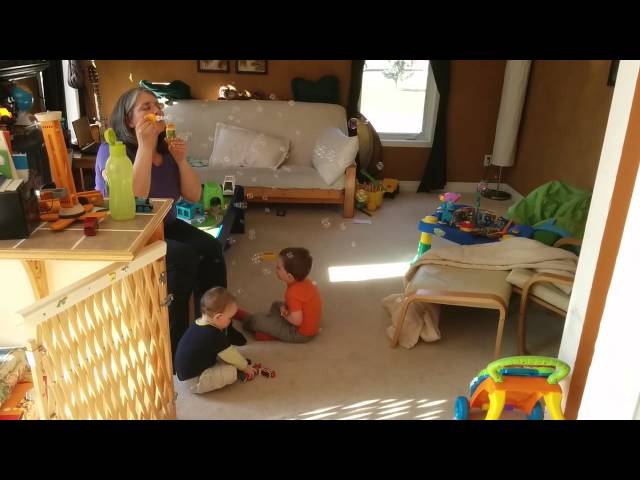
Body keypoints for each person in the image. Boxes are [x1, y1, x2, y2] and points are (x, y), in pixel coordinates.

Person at [94, 87, 246, 360]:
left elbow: (193, 195)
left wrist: (180, 160)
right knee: (183, 258)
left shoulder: (166, 149)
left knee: (211, 248)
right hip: (135, 232)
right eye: (145, 107)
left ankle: (216, 328)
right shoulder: (112, 151)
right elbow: (136, 198)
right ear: (129, 120)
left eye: (156, 106)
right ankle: (176, 344)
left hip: (168, 223)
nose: (155, 111)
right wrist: (144, 146)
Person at [174, 288, 257, 394]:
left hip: (185, 373)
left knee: (223, 356)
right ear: (218, 317)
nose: (230, 321)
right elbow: (231, 354)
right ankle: (211, 378)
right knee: (231, 373)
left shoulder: (198, 323)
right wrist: (246, 367)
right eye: (230, 318)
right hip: (194, 380)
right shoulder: (214, 335)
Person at [243, 247, 322, 342]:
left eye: (278, 268)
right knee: (276, 305)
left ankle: (269, 332)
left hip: (299, 334)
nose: (276, 269)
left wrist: (284, 313)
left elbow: (297, 321)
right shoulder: (305, 281)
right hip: (309, 324)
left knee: (255, 321)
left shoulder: (292, 293)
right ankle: (274, 326)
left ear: (289, 276)